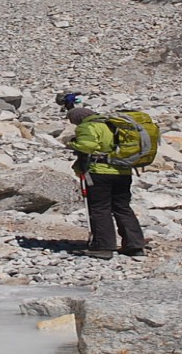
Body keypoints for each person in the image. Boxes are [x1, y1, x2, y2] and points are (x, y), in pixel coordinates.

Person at [66, 107, 146, 260]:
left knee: (100, 209)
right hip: (123, 171)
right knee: (122, 207)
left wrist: (72, 144)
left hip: (100, 172)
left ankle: (103, 247)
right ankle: (134, 246)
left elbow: (88, 146)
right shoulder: (113, 124)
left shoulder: (87, 126)